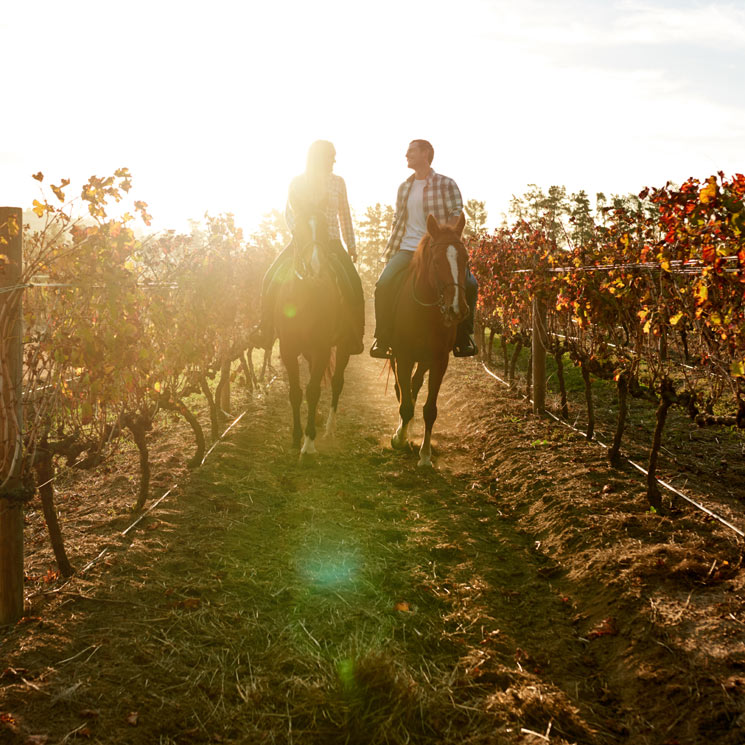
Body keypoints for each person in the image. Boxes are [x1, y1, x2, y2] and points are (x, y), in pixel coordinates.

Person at [250, 140, 365, 354]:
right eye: (331, 156)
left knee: (354, 284)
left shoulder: (338, 182)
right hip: (301, 243)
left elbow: (345, 214)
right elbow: (289, 214)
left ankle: (354, 335)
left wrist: (351, 245)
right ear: (318, 158)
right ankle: (265, 330)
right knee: (269, 278)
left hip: (330, 241)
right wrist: (301, 236)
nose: (334, 161)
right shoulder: (297, 182)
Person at [369, 139, 479, 359]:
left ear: (426, 153)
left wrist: (447, 237)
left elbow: (456, 210)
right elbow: (398, 219)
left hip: (437, 251)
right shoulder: (404, 187)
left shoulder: (446, 184)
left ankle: (463, 338)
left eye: (411, 151)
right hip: (408, 248)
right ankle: (383, 338)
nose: (406, 155)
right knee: (383, 285)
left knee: (470, 284)